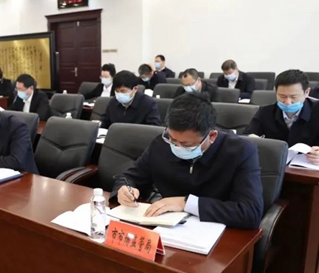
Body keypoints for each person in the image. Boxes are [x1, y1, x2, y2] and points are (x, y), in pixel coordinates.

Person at [112, 93, 263, 229]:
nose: (177, 147)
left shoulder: (240, 151)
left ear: (211, 136)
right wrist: (124, 189)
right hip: (165, 226)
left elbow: (250, 212)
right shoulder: (161, 144)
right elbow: (129, 177)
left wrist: (186, 203)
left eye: (187, 144)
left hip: (216, 232)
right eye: (172, 139)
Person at [244, 70, 319, 163]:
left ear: (307, 92)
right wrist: (253, 139)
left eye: (294, 97)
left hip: (308, 166)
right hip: (275, 164)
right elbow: (247, 135)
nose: (287, 102)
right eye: (282, 96)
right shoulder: (266, 112)